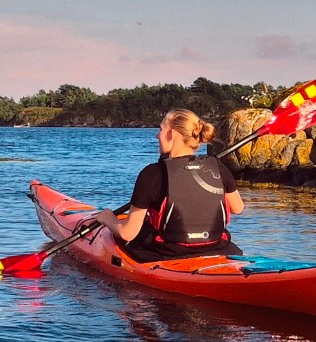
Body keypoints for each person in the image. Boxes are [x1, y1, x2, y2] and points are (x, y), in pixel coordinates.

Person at [92, 109, 244, 262]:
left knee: (124, 235)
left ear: (172, 134)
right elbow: (238, 208)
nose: (157, 136)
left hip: (169, 252)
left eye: (161, 129)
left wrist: (107, 219)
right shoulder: (217, 167)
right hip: (215, 246)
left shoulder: (152, 173)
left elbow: (128, 233)